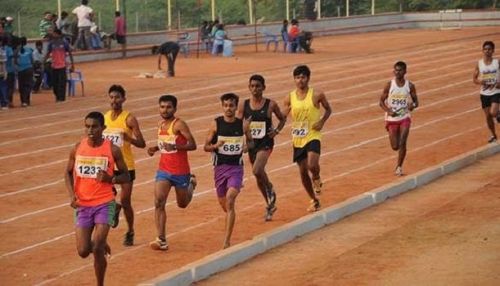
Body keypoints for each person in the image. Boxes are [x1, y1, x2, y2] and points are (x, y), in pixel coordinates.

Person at [64, 111, 130, 286]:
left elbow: (126, 176)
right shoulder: (78, 148)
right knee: (84, 251)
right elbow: (67, 172)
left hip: (104, 202)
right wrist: (72, 195)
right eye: (87, 126)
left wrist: (111, 179)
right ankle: (102, 236)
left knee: (98, 247)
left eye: (94, 126)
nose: (90, 130)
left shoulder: (112, 150)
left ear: (103, 128)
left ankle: (100, 284)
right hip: (83, 205)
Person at [147, 95, 197, 251]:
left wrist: (175, 147)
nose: (165, 110)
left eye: (168, 107)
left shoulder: (179, 124)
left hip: (180, 171)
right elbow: (164, 143)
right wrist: (155, 148)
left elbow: (193, 145)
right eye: (162, 107)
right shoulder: (160, 124)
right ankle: (161, 239)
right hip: (164, 170)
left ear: (175, 109)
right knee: (158, 202)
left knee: (182, 204)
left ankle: (191, 184)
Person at [204, 93, 253, 248]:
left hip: (236, 168)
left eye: (231, 105)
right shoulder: (216, 124)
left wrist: (246, 147)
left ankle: (226, 241)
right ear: (222, 106)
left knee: (230, 199)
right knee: (224, 204)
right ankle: (231, 217)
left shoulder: (243, 125)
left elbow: (251, 143)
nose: (228, 109)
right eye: (225, 105)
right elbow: (205, 147)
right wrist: (215, 146)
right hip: (219, 169)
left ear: (235, 106)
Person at [236, 75, 286, 221]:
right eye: (252, 86)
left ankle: (270, 187)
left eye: (258, 86)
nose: (255, 89)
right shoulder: (243, 105)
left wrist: (276, 131)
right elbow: (238, 125)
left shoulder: (270, 104)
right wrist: (242, 134)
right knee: (258, 176)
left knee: (257, 169)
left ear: (264, 87)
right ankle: (270, 204)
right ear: (249, 88)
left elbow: (282, 118)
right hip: (252, 144)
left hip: (265, 143)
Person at [283, 65, 332, 212]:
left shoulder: (317, 94)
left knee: (312, 164)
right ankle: (313, 199)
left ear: (308, 78)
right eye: (297, 77)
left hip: (313, 134)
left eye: (303, 77)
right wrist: (276, 128)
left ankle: (316, 177)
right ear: (294, 79)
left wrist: (322, 121)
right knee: (303, 171)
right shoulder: (289, 97)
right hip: (298, 137)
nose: (300, 80)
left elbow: (328, 109)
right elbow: (283, 115)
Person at [103, 84, 146, 246]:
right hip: (108, 165)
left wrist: (128, 139)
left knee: (126, 200)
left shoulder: (129, 119)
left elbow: (142, 143)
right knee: (106, 197)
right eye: (112, 97)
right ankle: (115, 207)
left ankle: (130, 231)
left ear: (123, 99)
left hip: (126, 166)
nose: (114, 100)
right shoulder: (105, 118)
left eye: (117, 97)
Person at [379, 61, 419, 176]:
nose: (397, 72)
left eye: (400, 70)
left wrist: (413, 106)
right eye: (395, 70)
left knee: (403, 142)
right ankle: (399, 162)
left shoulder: (410, 86)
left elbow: (417, 102)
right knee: (395, 146)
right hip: (392, 119)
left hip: (404, 117)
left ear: (405, 71)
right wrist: (388, 110)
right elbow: (381, 102)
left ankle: (399, 167)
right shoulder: (389, 85)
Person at [473, 41, 500, 143]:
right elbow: (474, 79)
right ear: (482, 51)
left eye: (489, 49)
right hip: (484, 94)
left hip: (496, 91)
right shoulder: (479, 64)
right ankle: (493, 135)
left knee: (493, 112)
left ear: (493, 51)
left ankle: (497, 114)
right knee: (488, 116)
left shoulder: (497, 63)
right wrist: (480, 81)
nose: (487, 51)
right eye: (485, 49)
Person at [44, 29, 74, 102]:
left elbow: (70, 53)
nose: (53, 35)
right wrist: (44, 62)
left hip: (62, 66)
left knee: (62, 83)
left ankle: (62, 98)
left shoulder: (64, 43)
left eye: (54, 34)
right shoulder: (51, 43)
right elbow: (48, 53)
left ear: (59, 34)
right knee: (55, 83)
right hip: (54, 66)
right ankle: (57, 96)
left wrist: (72, 64)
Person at [14, 37, 33, 107]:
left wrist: (19, 65)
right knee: (28, 85)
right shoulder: (29, 49)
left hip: (20, 70)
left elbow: (15, 61)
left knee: (21, 86)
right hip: (28, 68)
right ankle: (27, 100)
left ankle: (23, 101)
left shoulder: (16, 50)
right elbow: (32, 60)